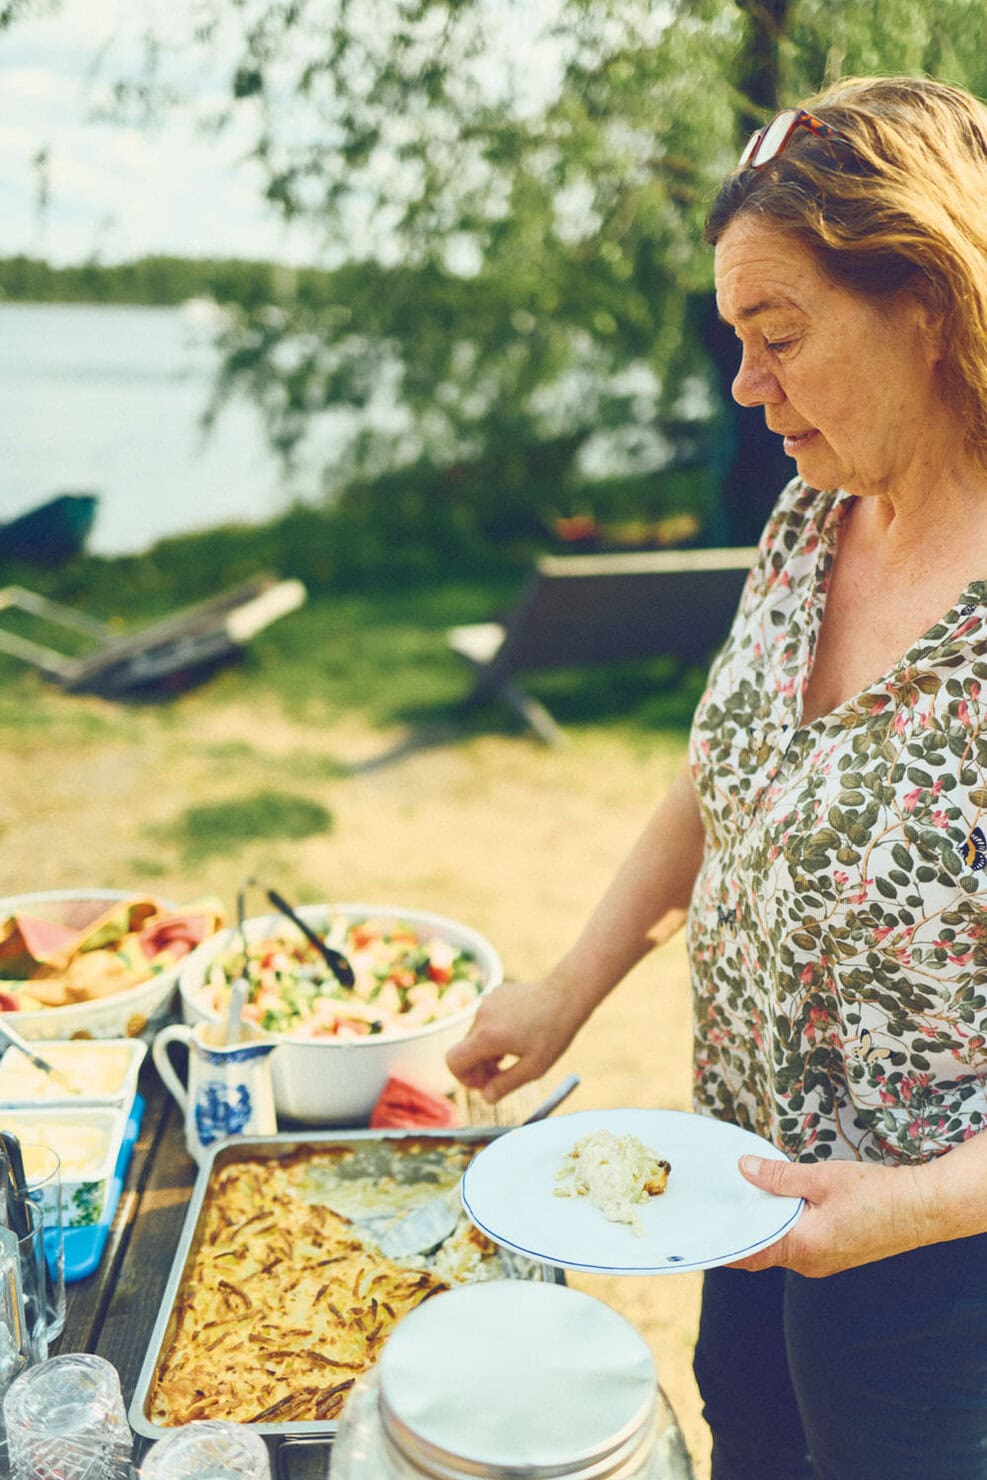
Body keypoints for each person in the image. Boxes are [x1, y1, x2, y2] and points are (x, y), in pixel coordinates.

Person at [446, 75, 987, 1480]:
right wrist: (570, 986)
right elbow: (720, 775)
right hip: (734, 1198)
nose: (750, 389)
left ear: (928, 301)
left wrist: (916, 1207)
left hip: (948, 1285)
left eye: (781, 336)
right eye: (737, 339)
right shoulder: (811, 520)